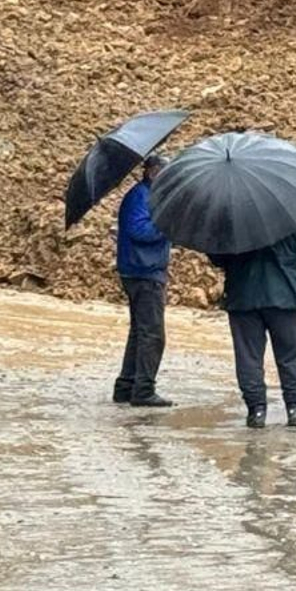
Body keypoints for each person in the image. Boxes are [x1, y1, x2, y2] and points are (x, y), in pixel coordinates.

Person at [209, 221, 296, 429]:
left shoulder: (234, 221)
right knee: (290, 356)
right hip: (288, 297)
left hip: (243, 297)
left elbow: (218, 256)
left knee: (248, 357)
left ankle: (256, 410)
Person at [114, 154, 173, 408]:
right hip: (143, 271)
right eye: (164, 171)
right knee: (152, 335)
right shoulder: (141, 196)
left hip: (139, 270)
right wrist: (167, 226)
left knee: (139, 332)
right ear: (152, 172)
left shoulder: (144, 196)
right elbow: (139, 231)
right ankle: (144, 390)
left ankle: (126, 386)